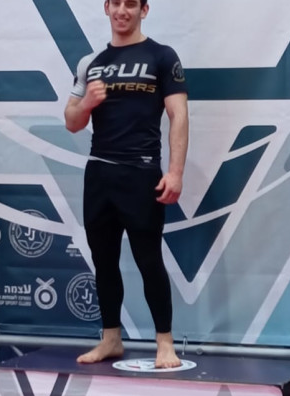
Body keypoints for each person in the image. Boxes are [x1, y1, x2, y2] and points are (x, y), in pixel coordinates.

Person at [64, 0, 189, 368]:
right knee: (103, 260)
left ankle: (165, 344)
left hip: (141, 172)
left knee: (149, 259)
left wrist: (175, 172)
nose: (122, 10)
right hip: (99, 173)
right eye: (115, 3)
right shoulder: (91, 63)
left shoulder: (162, 56)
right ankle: (111, 339)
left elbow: (179, 115)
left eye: (130, 4)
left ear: (143, 10)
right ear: (106, 8)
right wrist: (87, 103)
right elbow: (72, 121)